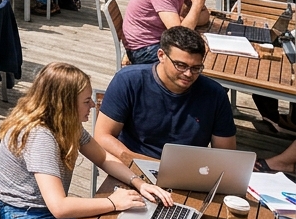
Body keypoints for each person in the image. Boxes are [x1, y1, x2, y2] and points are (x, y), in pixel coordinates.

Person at [0, 62, 168, 219]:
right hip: (26, 215)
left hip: (49, 208)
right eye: (86, 101)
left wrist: (139, 183)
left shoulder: (66, 124)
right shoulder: (39, 136)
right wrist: (113, 202)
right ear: (64, 105)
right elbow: (59, 207)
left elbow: (103, 157)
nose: (92, 105)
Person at [94, 26, 237, 162]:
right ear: (161, 55)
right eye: (181, 65)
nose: (188, 74)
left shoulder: (215, 94)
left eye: (196, 68)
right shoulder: (128, 81)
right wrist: (137, 162)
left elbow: (225, 154)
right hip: (133, 167)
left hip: (189, 172)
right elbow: (102, 136)